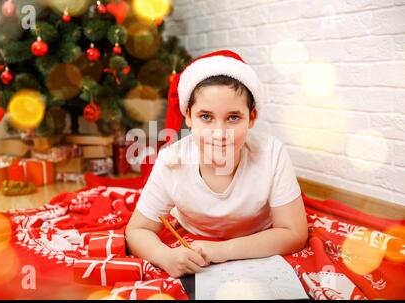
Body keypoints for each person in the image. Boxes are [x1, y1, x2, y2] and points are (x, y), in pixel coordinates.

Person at [125, 50, 308, 278]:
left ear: (251, 117)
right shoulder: (171, 161)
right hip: (195, 234)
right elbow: (137, 229)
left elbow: (294, 233)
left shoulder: (272, 154)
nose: (219, 134)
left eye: (233, 118)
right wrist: (165, 257)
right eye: (206, 117)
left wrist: (223, 250)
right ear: (188, 117)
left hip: (256, 236)